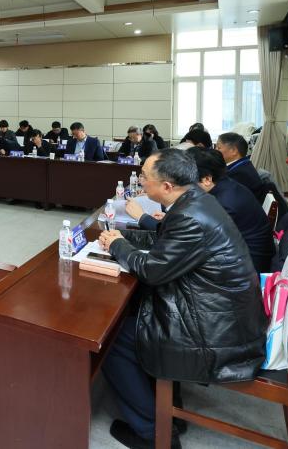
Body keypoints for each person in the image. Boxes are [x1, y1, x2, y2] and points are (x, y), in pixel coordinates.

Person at [98, 149, 266, 448]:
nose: (141, 182)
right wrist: (124, 239)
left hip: (216, 331)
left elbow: (152, 271)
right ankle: (165, 409)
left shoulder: (190, 216)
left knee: (113, 339)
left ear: (166, 186)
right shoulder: (197, 200)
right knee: (134, 313)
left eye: (145, 177)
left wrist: (117, 247)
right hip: (221, 311)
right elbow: (169, 242)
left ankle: (154, 434)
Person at [189, 147, 274, 272]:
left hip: (246, 268)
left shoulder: (223, 203)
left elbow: (200, 243)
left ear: (207, 179)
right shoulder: (226, 184)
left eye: (187, 180)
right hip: (243, 256)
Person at [215, 132, 267, 203]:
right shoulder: (243, 164)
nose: (215, 150)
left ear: (233, 151)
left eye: (219, 147)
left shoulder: (239, 174)